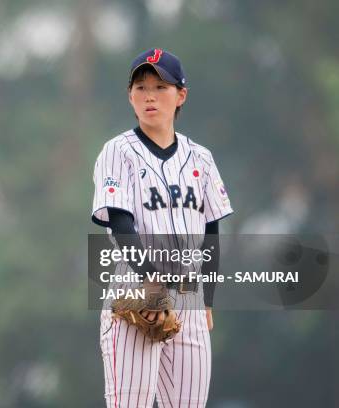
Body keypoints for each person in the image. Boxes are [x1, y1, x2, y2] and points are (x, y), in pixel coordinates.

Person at [91, 48, 233, 407]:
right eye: (140, 87)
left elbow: (211, 230)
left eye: (160, 86)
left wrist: (208, 301)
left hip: (189, 296)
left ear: (181, 95)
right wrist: (152, 281)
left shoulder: (200, 157)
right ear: (129, 96)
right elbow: (121, 224)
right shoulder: (117, 151)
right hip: (137, 291)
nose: (149, 95)